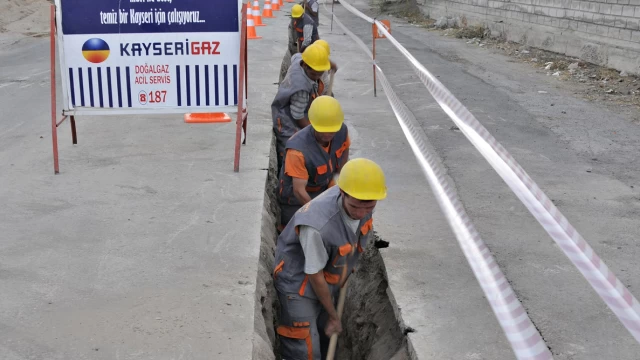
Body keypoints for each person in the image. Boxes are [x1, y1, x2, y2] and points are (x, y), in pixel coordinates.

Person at [273, 158, 387, 360]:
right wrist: (334, 316)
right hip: (298, 281)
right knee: (305, 348)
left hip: (327, 275)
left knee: (325, 332)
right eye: (355, 206)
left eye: (368, 207)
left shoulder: (363, 198)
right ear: (342, 193)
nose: (361, 213)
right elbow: (314, 275)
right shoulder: (317, 226)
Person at [278, 96, 350, 228]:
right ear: (311, 122)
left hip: (323, 188)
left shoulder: (341, 130)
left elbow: (344, 149)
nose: (328, 133)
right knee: (296, 232)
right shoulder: (298, 150)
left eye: (332, 129)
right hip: (296, 201)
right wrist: (317, 213)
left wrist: (338, 178)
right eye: (323, 130)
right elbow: (299, 191)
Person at [272, 44, 330, 173]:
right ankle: (285, 172)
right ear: (305, 65)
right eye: (313, 73)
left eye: (320, 73)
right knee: (290, 146)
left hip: (295, 110)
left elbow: (295, 55)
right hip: (286, 121)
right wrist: (314, 130)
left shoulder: (298, 60)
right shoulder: (301, 89)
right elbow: (298, 116)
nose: (316, 77)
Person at [279, 4, 305, 84]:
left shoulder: (307, 24)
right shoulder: (292, 24)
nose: (296, 19)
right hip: (292, 50)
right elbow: (292, 41)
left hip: (302, 52)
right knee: (285, 71)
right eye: (294, 17)